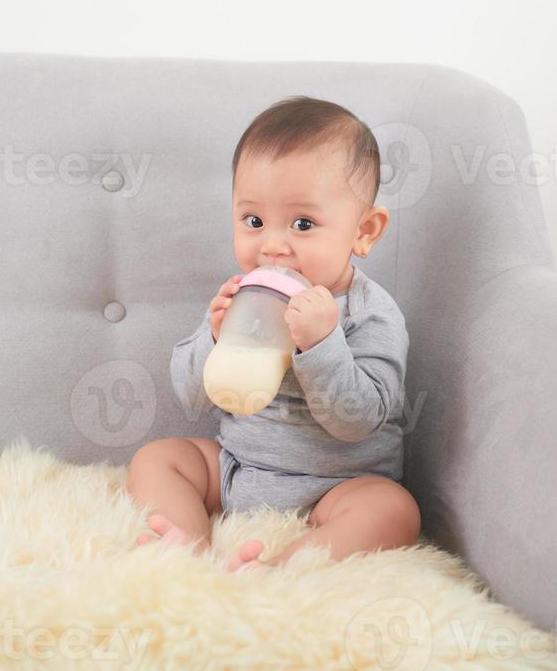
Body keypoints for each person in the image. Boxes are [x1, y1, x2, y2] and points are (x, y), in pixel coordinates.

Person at [126, 95, 421, 570]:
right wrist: (216, 338)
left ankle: (280, 571)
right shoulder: (242, 297)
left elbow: (360, 419)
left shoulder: (371, 314)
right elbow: (191, 395)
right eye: (254, 221)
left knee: (392, 510)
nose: (273, 245)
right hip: (236, 470)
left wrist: (322, 344)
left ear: (364, 231)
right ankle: (186, 547)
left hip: (336, 486)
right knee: (158, 458)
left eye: (303, 224)